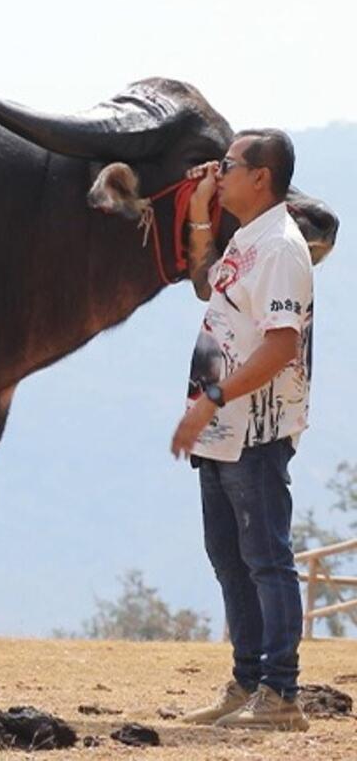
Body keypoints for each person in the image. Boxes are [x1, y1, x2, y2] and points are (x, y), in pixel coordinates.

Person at [171, 129, 312, 731]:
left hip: (254, 428)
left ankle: (281, 694)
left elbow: (282, 345)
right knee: (229, 558)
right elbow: (209, 287)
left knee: (266, 559)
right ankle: (246, 680)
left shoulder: (280, 247)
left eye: (228, 166)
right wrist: (202, 212)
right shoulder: (248, 241)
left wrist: (211, 398)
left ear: (262, 176)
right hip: (221, 429)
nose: (217, 172)